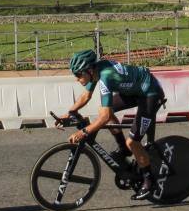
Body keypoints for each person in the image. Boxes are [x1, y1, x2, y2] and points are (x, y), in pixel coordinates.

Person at [57, 49, 165, 200]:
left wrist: (83, 132)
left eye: (78, 74)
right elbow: (86, 95)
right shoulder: (95, 71)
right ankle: (123, 149)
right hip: (135, 90)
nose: (77, 78)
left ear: (88, 70)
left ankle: (149, 180)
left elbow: (105, 117)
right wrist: (70, 112)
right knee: (105, 109)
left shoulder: (105, 77)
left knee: (132, 141)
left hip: (150, 93)